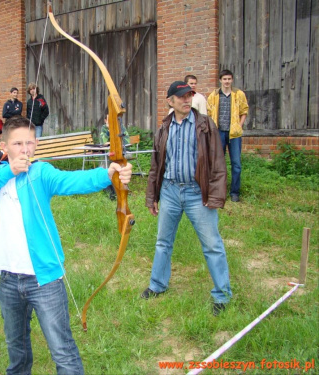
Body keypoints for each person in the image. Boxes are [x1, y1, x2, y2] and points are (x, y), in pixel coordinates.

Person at [0, 116, 132, 374]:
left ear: (37, 144)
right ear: (4, 145)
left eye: (29, 143)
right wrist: (8, 172)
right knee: (16, 348)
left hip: (44, 279)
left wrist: (108, 174)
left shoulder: (41, 172)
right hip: (9, 279)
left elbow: (72, 182)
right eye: (18, 143)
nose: (24, 149)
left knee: (62, 350)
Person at [141, 81, 231, 316]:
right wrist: (153, 197)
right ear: (170, 101)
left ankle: (222, 295)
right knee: (163, 242)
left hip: (196, 193)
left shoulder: (205, 125)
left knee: (212, 245)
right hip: (170, 191)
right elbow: (156, 166)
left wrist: (214, 196)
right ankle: (157, 285)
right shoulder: (164, 128)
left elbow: (218, 163)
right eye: (181, 96)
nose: (186, 99)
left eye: (189, 95)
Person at [207, 69, 249, 202]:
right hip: (219, 132)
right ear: (220, 80)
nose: (227, 81)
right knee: (218, 163)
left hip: (234, 134)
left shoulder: (238, 94)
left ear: (232, 80)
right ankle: (219, 190)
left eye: (229, 79)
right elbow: (208, 113)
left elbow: (244, 111)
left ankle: (235, 192)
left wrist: (239, 125)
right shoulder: (213, 95)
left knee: (236, 163)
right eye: (224, 79)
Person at [100, 110, 130, 200]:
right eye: (109, 120)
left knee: (117, 165)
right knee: (105, 165)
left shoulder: (121, 127)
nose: (112, 122)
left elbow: (126, 141)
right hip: (108, 154)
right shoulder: (104, 129)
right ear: (105, 121)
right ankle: (109, 191)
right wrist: (110, 129)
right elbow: (103, 142)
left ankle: (120, 190)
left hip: (121, 153)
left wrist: (114, 140)